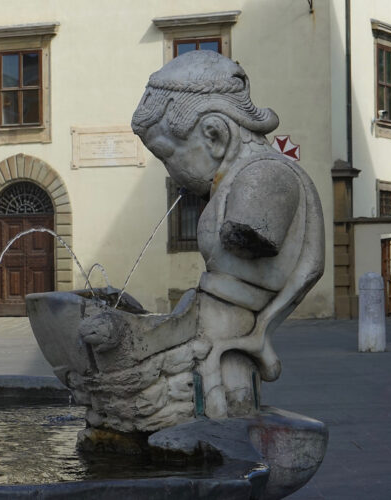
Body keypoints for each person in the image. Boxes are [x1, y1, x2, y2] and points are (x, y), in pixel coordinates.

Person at [130, 50, 324, 416]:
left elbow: (250, 239)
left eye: (167, 155)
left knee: (224, 427)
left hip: (227, 348)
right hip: (213, 342)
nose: (170, 172)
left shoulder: (264, 177)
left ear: (215, 135)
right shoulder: (238, 179)